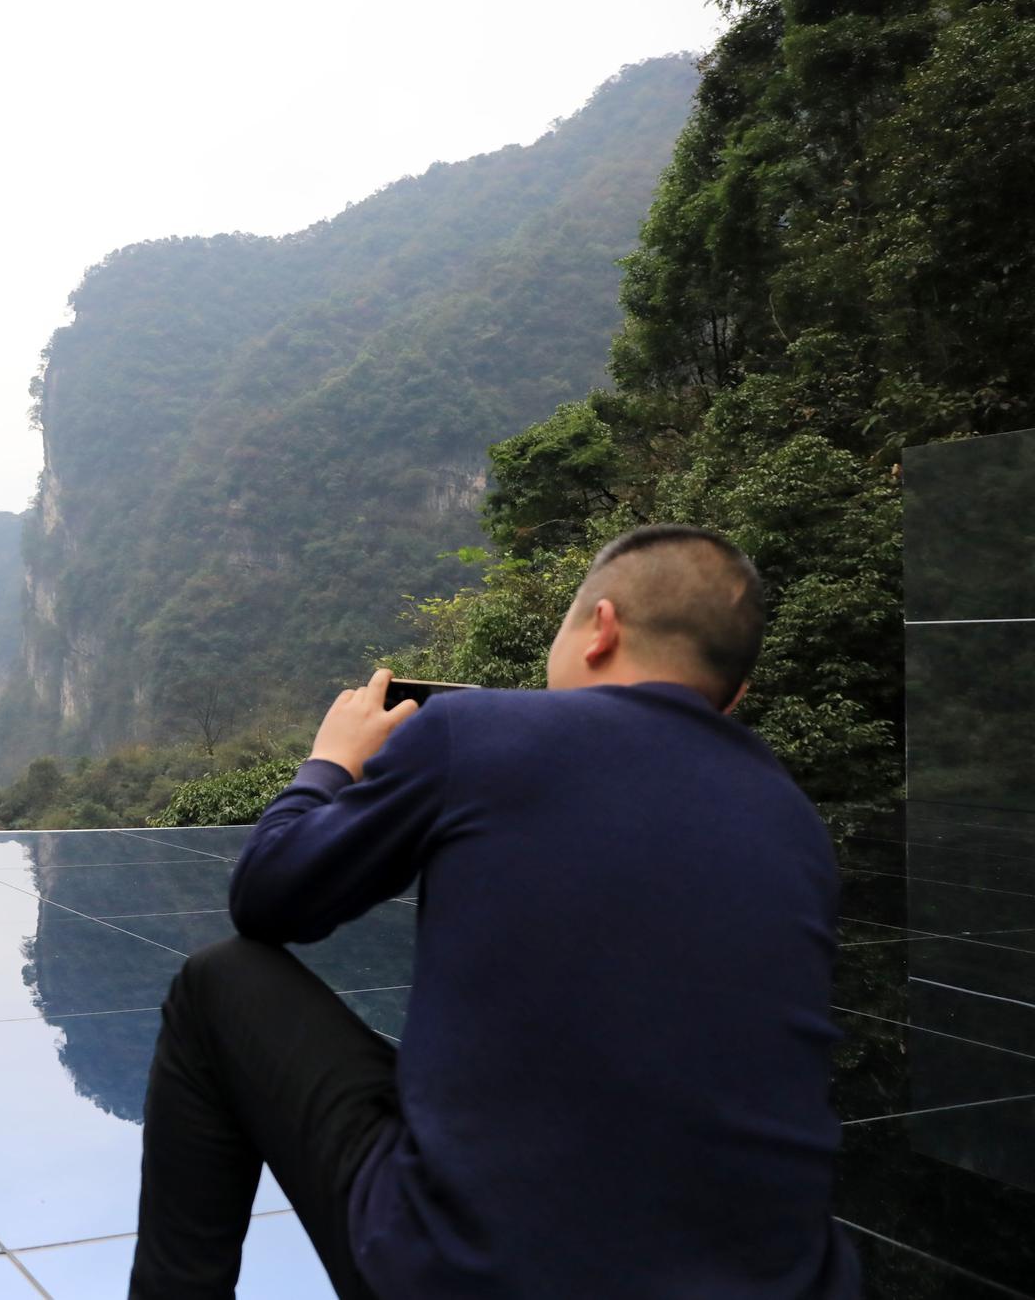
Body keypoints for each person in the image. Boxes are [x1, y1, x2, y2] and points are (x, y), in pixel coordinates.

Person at [130, 524, 860, 1299]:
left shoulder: (477, 732)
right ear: (733, 695)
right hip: (782, 1282)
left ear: (601, 628)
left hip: (476, 1271)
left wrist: (330, 762)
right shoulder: (794, 820)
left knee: (218, 983)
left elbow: (268, 895)